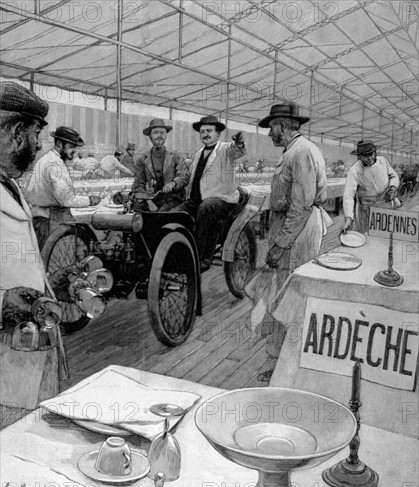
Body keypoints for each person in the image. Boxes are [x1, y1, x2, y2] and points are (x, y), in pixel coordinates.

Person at [0, 81, 67, 429]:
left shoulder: (8, 183)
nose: (38, 144)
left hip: (25, 351)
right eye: (35, 133)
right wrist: (3, 302)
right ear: (14, 131)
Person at [247, 103, 328, 381]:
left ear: (283, 125)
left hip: (299, 232)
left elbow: (302, 205)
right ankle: (281, 359)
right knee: (283, 294)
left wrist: (281, 243)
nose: (269, 133)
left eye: (271, 127)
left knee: (291, 296)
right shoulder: (293, 151)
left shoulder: (302, 152)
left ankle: (287, 364)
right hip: (292, 227)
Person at [176, 115, 246, 272]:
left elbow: (238, 151)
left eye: (209, 131)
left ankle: (203, 257)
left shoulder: (226, 149)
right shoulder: (198, 152)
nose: (205, 134)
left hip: (222, 199)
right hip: (196, 200)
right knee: (176, 213)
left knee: (207, 208)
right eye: (202, 132)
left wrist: (239, 142)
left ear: (218, 133)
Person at [24, 126, 101, 249]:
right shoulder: (56, 164)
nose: (73, 151)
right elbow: (66, 200)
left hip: (38, 217)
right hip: (49, 220)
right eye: (71, 147)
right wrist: (89, 200)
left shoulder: (46, 159)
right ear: (59, 144)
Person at [342, 140, 400, 234]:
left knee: (386, 232)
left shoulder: (383, 161)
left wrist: (393, 188)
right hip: (366, 208)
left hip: (385, 202)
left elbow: (393, 175)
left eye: (371, 154)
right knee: (366, 234)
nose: (369, 158)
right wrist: (349, 218)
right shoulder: (355, 170)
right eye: (365, 155)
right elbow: (348, 195)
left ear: (375, 153)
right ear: (359, 156)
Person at [132, 119, 189, 212]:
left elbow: (184, 175)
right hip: (153, 199)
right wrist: (149, 202)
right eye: (155, 133)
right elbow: (138, 184)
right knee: (136, 209)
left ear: (166, 135)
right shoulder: (142, 159)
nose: (159, 136)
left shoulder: (175, 156)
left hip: (174, 199)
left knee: (163, 214)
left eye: (162, 133)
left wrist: (173, 183)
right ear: (150, 136)